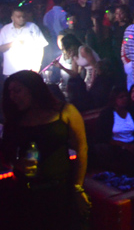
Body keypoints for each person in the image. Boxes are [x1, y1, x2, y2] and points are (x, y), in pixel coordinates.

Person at [0, 70, 89, 230]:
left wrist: (78, 187)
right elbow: (7, 154)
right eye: (9, 92)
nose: (12, 96)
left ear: (33, 89)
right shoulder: (15, 118)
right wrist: (18, 163)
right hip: (25, 192)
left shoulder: (65, 111)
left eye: (17, 90)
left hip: (60, 190)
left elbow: (82, 148)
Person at [92, 87, 134, 175]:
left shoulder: (133, 111)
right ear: (114, 99)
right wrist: (124, 145)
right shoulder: (107, 114)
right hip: (115, 147)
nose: (125, 99)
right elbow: (102, 137)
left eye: (126, 96)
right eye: (121, 97)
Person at [0, 6, 48, 76]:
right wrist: (12, 44)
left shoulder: (33, 27)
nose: (21, 18)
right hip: (10, 71)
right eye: (18, 17)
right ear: (12, 18)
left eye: (23, 16)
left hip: (29, 70)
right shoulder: (5, 29)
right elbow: (1, 48)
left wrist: (37, 65)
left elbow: (40, 47)